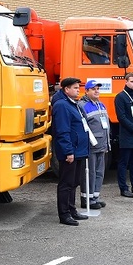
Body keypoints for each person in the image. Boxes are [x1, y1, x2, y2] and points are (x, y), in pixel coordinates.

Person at [52, 77, 90, 226]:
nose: (78, 90)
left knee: (74, 182)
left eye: (78, 87)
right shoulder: (62, 105)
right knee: (66, 183)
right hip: (71, 151)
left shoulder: (74, 104)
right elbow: (63, 131)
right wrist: (68, 151)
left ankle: (72, 209)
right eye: (75, 87)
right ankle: (64, 214)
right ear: (66, 89)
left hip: (79, 150)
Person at [80, 80, 110, 209]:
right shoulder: (82, 105)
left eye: (98, 88)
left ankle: (95, 196)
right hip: (91, 146)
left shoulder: (101, 105)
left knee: (99, 172)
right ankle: (87, 199)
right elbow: (83, 127)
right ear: (86, 91)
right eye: (93, 89)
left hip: (102, 144)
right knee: (89, 173)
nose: (97, 91)